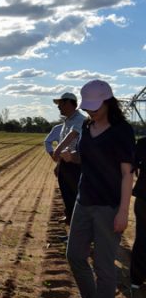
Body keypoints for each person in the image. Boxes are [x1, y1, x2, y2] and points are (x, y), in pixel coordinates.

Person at [57, 80, 135, 298]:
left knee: (103, 264)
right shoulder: (88, 126)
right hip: (84, 201)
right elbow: (86, 159)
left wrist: (123, 211)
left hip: (108, 206)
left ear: (108, 101)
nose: (91, 112)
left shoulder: (121, 131)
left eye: (96, 106)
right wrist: (72, 156)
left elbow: (127, 174)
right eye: (88, 107)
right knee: (75, 255)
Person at [51, 92, 86, 225]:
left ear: (69, 103)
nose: (58, 107)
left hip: (75, 162)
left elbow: (73, 134)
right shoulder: (67, 121)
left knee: (74, 192)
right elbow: (65, 139)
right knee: (66, 191)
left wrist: (58, 148)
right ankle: (70, 216)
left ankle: (77, 221)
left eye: (61, 104)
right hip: (66, 162)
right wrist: (59, 164)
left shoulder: (79, 119)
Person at [130, 136, 146, 290]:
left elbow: (131, 167)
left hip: (143, 196)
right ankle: (136, 278)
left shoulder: (142, 143)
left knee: (142, 237)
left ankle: (136, 278)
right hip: (143, 198)